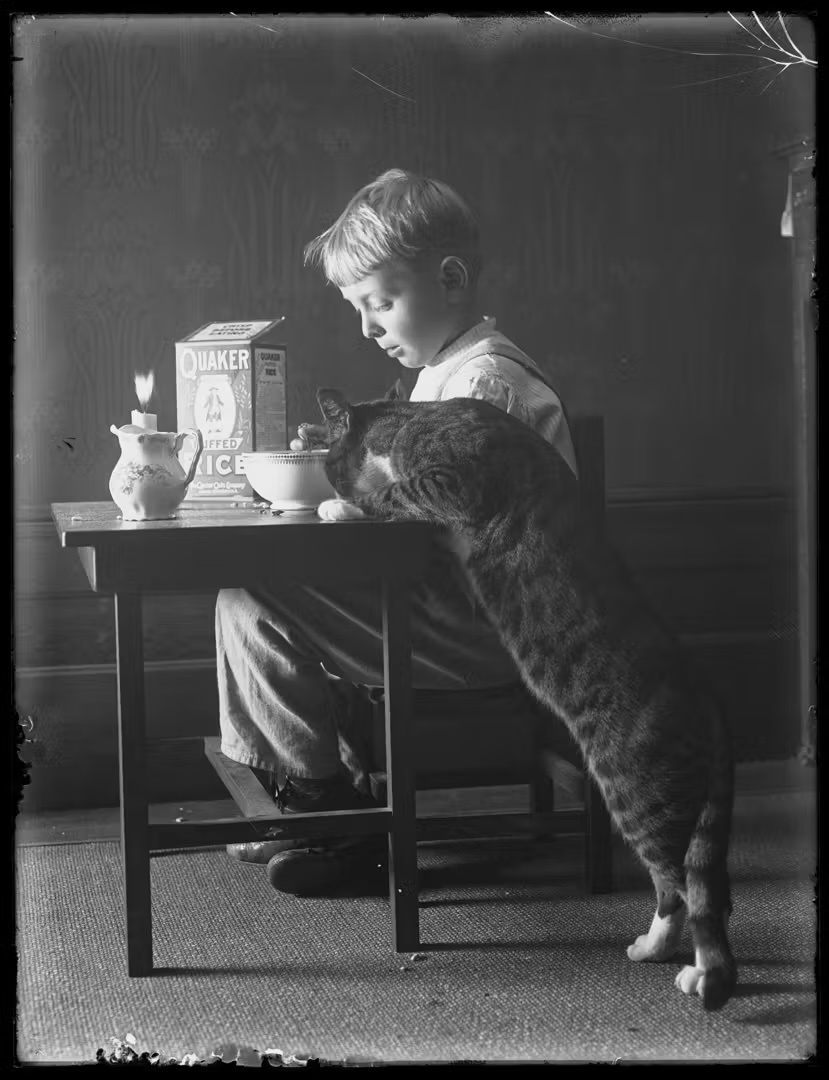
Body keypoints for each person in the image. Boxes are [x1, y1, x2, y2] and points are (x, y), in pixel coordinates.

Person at [216, 168, 578, 897]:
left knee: (252, 600)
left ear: (448, 279)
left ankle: (331, 817)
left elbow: (439, 515)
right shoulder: (450, 374)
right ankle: (319, 800)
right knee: (250, 602)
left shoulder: (485, 387)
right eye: (357, 308)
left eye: (379, 303)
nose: (366, 327)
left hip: (489, 628)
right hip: (456, 609)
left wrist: (351, 507)